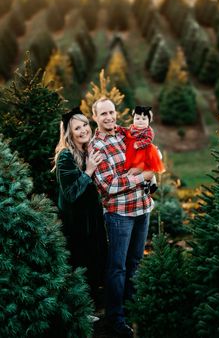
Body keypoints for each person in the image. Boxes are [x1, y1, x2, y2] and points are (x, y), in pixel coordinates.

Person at [89, 97, 154, 338]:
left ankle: (131, 308)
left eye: (112, 112)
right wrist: (138, 176)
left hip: (142, 208)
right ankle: (115, 318)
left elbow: (148, 139)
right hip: (119, 215)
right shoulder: (97, 146)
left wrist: (149, 166)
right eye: (103, 114)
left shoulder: (127, 134)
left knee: (135, 261)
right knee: (118, 267)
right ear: (95, 117)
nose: (109, 117)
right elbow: (108, 185)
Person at [53, 106, 107, 306]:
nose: (84, 130)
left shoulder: (88, 150)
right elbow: (70, 194)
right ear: (69, 133)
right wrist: (88, 171)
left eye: (85, 124)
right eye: (77, 128)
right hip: (75, 224)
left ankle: (93, 304)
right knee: (80, 264)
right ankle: (80, 310)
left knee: (95, 261)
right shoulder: (65, 156)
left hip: (92, 220)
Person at [116, 105, 165, 194]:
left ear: (149, 121)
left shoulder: (148, 130)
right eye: (137, 118)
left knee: (147, 167)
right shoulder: (131, 128)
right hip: (134, 152)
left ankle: (152, 183)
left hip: (145, 150)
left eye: (144, 119)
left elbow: (149, 140)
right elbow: (125, 131)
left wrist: (139, 144)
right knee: (134, 167)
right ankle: (145, 184)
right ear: (133, 119)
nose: (140, 121)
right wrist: (118, 128)